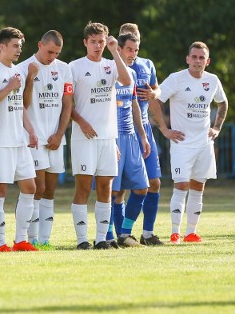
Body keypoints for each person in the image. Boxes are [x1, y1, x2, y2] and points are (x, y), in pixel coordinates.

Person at [148, 41, 227, 244]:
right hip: (181, 143)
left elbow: (223, 102)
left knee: (198, 187)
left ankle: (191, 232)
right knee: (181, 185)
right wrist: (165, 129)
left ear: (207, 61)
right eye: (194, 57)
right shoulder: (176, 79)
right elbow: (156, 97)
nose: (197, 61)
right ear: (187, 59)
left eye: (202, 58)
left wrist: (216, 127)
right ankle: (175, 232)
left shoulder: (213, 80)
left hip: (204, 143)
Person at [69, 22, 131, 250]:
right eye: (93, 41)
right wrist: (81, 121)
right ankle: (82, 240)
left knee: (106, 189)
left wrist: (115, 51)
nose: (97, 46)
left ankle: (101, 239)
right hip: (83, 137)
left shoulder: (111, 64)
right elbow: (66, 105)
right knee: (83, 188)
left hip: (108, 138)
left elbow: (127, 81)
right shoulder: (74, 67)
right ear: (85, 42)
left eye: (101, 42)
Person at [0, 26, 38, 253]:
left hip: (19, 141)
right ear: (2, 46)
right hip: (0, 141)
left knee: (30, 187)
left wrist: (31, 130)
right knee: (1, 191)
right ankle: (1, 243)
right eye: (15, 46)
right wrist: (9, 87)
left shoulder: (19, 71)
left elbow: (20, 107)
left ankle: (21, 240)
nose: (18, 50)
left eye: (20, 46)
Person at [18, 30, 73, 250]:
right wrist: (31, 78)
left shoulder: (65, 69)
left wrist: (60, 133)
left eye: (57, 53)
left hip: (56, 139)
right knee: (36, 188)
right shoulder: (23, 68)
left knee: (50, 190)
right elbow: (23, 105)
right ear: (40, 45)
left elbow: (68, 103)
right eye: (50, 51)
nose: (52, 57)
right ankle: (30, 239)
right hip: (34, 139)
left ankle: (45, 239)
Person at [118, 23, 165, 245]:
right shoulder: (115, 67)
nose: (134, 50)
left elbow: (157, 90)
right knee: (120, 189)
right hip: (123, 130)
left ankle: (147, 233)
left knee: (154, 182)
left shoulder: (147, 64)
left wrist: (153, 94)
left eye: (136, 43)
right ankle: (120, 233)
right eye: (129, 44)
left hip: (144, 128)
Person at [107, 33, 152, 248]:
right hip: (112, 137)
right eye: (129, 50)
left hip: (131, 137)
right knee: (112, 191)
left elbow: (134, 105)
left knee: (142, 187)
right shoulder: (107, 71)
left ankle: (125, 233)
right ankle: (106, 235)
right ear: (119, 49)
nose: (133, 54)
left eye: (136, 50)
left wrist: (142, 135)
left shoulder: (132, 74)